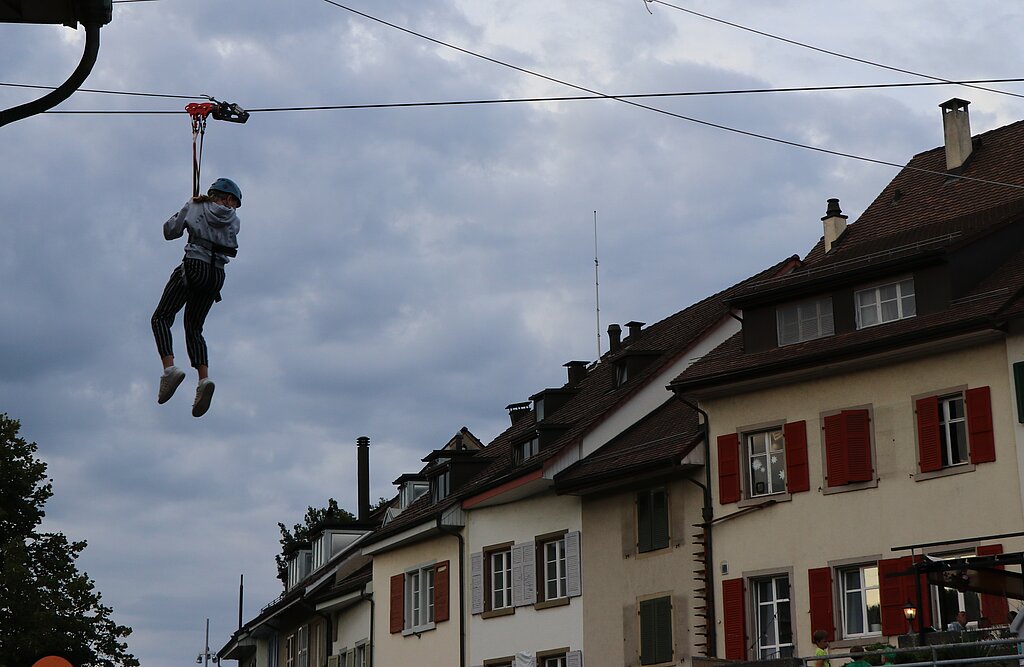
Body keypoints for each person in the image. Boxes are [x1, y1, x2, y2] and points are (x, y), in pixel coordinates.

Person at [151, 178, 241, 417]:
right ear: (232, 200)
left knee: (161, 317)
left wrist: (188, 206)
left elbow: (170, 231)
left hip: (194, 267)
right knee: (194, 327)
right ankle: (203, 380)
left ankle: (169, 370)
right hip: (216, 276)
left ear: (213, 193)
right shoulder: (235, 220)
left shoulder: (195, 206)